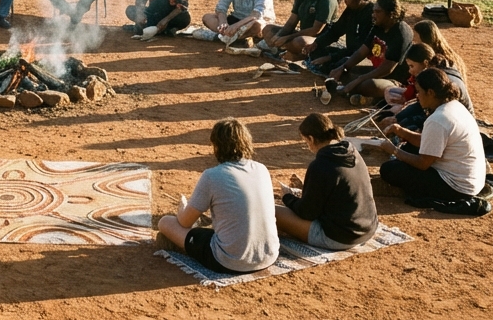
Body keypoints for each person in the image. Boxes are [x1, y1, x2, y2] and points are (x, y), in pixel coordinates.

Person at [157, 118, 279, 274]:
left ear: (216, 146)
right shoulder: (262, 169)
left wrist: (182, 210)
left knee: (166, 222)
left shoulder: (212, 176)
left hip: (228, 260)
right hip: (269, 256)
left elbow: (184, 222)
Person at [379, 68, 488, 206]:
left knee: (390, 170)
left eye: (419, 92)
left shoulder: (438, 119)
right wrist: (401, 131)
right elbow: (428, 141)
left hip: (457, 187)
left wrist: (394, 151)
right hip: (470, 180)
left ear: (430, 92)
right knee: (410, 149)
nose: (417, 96)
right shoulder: (454, 106)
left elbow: (423, 164)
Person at [275, 113, 378, 249]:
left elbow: (307, 213)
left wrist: (287, 198)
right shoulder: (351, 151)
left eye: (306, 141)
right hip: (368, 227)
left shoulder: (320, 164)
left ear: (311, 139)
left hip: (341, 237)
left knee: (273, 211)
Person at [328, 0, 413, 107]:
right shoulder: (379, 26)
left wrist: (359, 79)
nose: (373, 15)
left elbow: (387, 69)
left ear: (391, 14)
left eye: (378, 12)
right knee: (344, 66)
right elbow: (362, 51)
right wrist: (342, 67)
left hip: (394, 79)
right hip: (376, 70)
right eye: (373, 11)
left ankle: (372, 98)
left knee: (369, 84)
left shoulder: (401, 33)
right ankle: (360, 94)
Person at [302, 0, 375, 76]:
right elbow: (335, 31)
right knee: (317, 50)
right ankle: (325, 67)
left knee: (345, 62)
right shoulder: (351, 9)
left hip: (361, 56)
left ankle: (328, 70)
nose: (345, 1)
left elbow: (360, 48)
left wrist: (330, 57)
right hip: (349, 51)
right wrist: (316, 43)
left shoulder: (371, 14)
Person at [413, 20, 469, 92]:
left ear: (425, 39)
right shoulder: (449, 53)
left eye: (415, 37)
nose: (413, 41)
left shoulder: (437, 60)